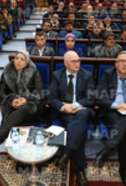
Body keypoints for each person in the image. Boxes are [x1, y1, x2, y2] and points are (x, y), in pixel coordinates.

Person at [95, 51, 126, 186]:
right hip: (112, 110)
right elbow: (99, 96)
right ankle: (124, 170)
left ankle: (107, 150)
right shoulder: (108, 74)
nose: (124, 64)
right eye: (121, 61)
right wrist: (117, 105)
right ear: (116, 63)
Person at [0, 50, 45, 153]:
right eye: (16, 58)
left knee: (23, 109)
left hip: (31, 107)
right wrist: (11, 101)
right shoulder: (6, 72)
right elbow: (0, 92)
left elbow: (40, 93)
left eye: (22, 59)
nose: (18, 61)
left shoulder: (34, 72)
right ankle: (20, 158)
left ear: (26, 62)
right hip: (13, 107)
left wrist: (25, 100)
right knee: (16, 115)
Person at [48, 51, 95, 186]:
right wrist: (64, 108)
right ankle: (79, 170)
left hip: (82, 110)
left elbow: (90, 98)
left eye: (78, 60)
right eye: (73, 61)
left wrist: (74, 106)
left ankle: (66, 155)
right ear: (65, 63)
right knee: (77, 130)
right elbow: (51, 98)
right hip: (65, 113)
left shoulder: (87, 75)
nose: (77, 64)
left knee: (82, 115)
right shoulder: (57, 75)